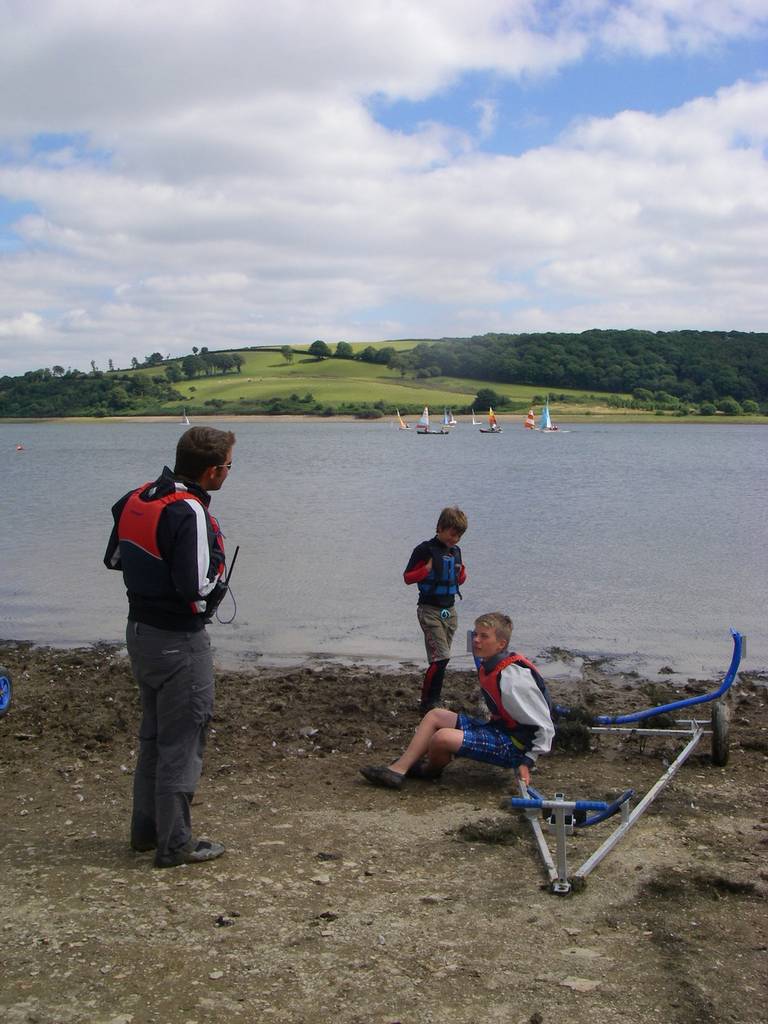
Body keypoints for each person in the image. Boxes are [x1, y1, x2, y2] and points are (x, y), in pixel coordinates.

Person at [104, 426, 235, 868]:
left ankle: (146, 831)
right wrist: (218, 580)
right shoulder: (190, 510)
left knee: (154, 736)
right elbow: (197, 584)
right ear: (213, 470)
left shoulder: (135, 497)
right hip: (179, 640)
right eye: (229, 467)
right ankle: (175, 843)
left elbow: (116, 559)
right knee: (182, 740)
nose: (228, 474)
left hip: (139, 631)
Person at [360, 612, 554, 790]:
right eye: (475, 634)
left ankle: (429, 771)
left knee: (442, 737)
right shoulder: (488, 661)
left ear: (501, 644)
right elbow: (478, 653)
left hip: (514, 748)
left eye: (484, 636)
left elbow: (545, 726)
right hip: (497, 729)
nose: (476, 640)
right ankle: (398, 770)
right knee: (434, 715)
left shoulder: (514, 680)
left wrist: (527, 762)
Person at [404, 506, 468, 713]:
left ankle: (435, 698)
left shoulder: (455, 551)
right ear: (440, 528)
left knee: (442, 658)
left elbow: (461, 580)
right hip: (429, 610)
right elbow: (407, 578)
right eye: (452, 534)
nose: (455, 539)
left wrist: (461, 572)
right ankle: (427, 701)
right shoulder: (424, 550)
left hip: (449, 610)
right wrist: (427, 569)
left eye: (459, 536)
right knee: (441, 657)